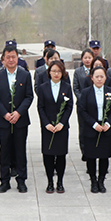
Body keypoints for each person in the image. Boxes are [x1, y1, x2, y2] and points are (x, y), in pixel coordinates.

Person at [0, 44, 34, 193]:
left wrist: (18, 113)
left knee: (20, 150)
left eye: (13, 57)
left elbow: (29, 96)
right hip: (4, 121)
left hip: (20, 120)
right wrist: (5, 114)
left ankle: (21, 180)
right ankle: (4, 181)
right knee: (5, 151)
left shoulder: (25, 74)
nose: (10, 60)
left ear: (18, 58)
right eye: (7, 57)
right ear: (3, 60)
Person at [77, 66, 111, 193]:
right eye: (97, 77)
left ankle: (101, 181)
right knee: (91, 156)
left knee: (104, 156)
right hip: (91, 128)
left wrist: (108, 123)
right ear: (92, 78)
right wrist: (94, 124)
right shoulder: (86, 92)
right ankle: (93, 181)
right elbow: (82, 110)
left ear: (106, 78)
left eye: (102, 76)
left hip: (106, 128)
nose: (99, 79)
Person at [36, 60, 73, 194]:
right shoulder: (43, 87)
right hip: (48, 128)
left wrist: (61, 123)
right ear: (49, 72)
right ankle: (50, 182)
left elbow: (69, 107)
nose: (56, 74)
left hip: (61, 128)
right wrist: (47, 124)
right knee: (48, 155)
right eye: (53, 71)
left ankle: (60, 182)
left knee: (61, 155)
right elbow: (40, 107)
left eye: (59, 71)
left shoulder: (67, 87)